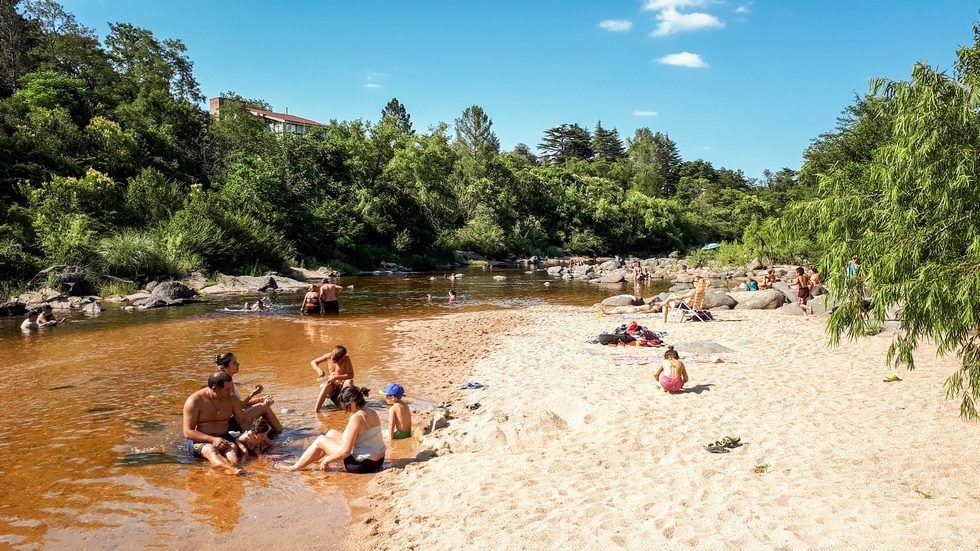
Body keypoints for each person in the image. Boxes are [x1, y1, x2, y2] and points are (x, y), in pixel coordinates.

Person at [278, 386, 385, 473]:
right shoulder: (371, 412)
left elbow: (346, 452)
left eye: (345, 407)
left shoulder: (356, 418)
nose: (345, 411)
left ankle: (295, 467)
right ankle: (310, 459)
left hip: (362, 465)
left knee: (320, 440)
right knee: (331, 433)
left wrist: (327, 460)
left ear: (352, 404)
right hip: (378, 461)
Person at [182, 371, 249, 475]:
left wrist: (249, 436)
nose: (232, 391)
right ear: (215, 389)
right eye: (227, 389)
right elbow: (187, 432)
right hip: (201, 440)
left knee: (232, 452)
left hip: (224, 437)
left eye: (232, 387)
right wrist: (212, 439)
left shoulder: (232, 399)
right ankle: (231, 470)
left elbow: (244, 421)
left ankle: (231, 469)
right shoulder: (195, 401)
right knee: (210, 449)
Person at [215, 352, 283, 435]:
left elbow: (236, 405)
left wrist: (259, 399)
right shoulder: (227, 383)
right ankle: (280, 432)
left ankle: (270, 433)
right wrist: (253, 394)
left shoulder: (225, 379)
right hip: (230, 423)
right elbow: (240, 406)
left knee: (261, 403)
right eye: (234, 363)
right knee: (264, 407)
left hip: (232, 418)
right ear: (226, 367)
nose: (238, 364)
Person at [311, 345, 355, 412]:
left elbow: (351, 375)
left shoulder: (346, 359)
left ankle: (350, 407)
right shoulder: (328, 356)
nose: (335, 362)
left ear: (343, 357)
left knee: (349, 382)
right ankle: (316, 410)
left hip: (342, 385)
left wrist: (335, 377)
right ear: (332, 354)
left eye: (337, 361)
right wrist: (319, 370)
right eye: (333, 360)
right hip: (332, 386)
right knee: (326, 385)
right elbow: (313, 362)